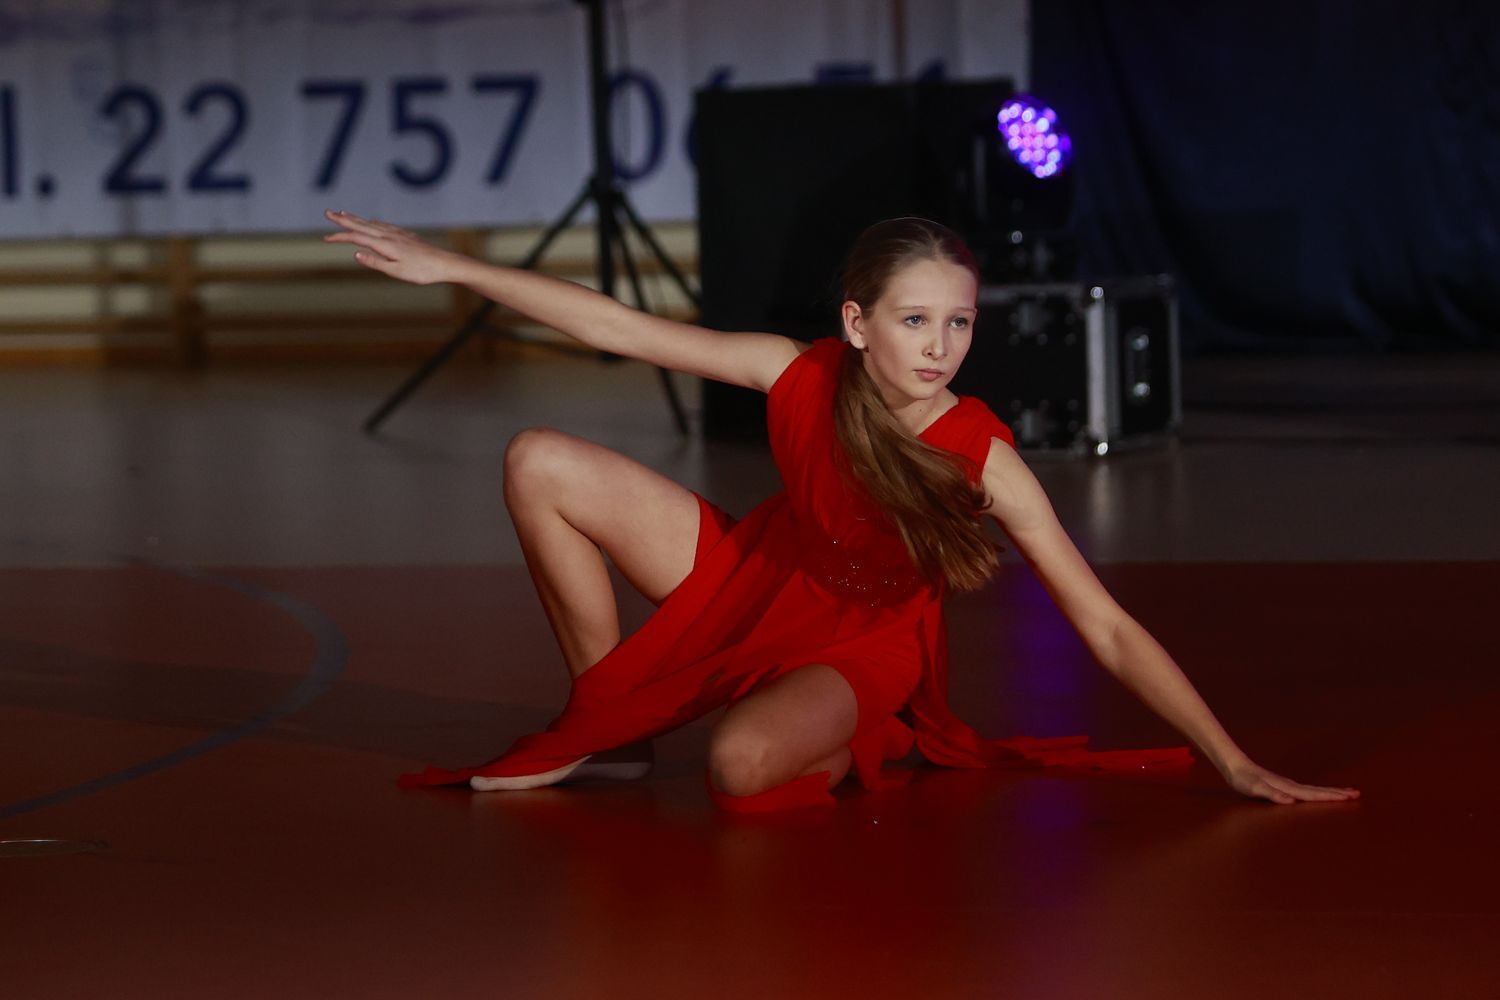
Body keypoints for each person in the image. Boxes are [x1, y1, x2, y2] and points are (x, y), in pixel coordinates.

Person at [323, 209, 1360, 813]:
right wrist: (453, 265)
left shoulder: (982, 457)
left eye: (959, 323)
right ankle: (608, 724)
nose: (941, 346)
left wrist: (1229, 758)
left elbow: (1106, 624)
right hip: (761, 577)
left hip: (862, 642)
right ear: (859, 323)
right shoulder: (797, 373)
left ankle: (859, 733)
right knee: (538, 458)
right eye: (916, 320)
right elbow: (620, 328)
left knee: (738, 768)